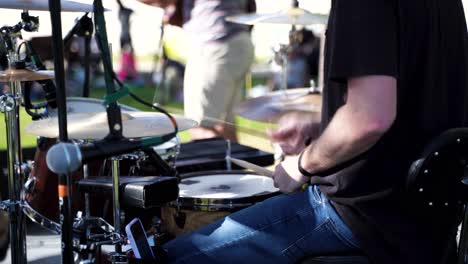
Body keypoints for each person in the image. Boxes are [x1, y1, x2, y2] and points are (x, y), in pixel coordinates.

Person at [150, 0, 467, 263]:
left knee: (176, 257)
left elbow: (369, 118)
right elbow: (415, 97)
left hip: (364, 217)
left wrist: (302, 164)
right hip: (426, 223)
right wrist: (323, 122)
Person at [137, 0, 255, 142]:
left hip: (215, 45)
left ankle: (219, 164)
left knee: (200, 126)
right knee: (224, 124)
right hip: (238, 40)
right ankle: (234, 164)